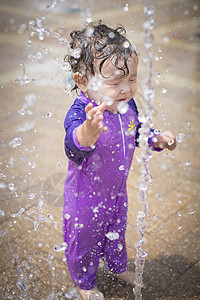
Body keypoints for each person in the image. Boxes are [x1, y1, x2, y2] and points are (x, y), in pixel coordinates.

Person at [63, 21, 176, 300]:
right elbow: (73, 147)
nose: (126, 89)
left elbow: (138, 132)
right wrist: (88, 132)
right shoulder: (83, 112)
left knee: (116, 229)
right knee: (85, 239)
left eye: (132, 79)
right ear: (83, 81)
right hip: (85, 196)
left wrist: (156, 139)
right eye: (115, 82)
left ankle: (117, 266)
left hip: (116, 190)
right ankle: (85, 281)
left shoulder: (128, 106)